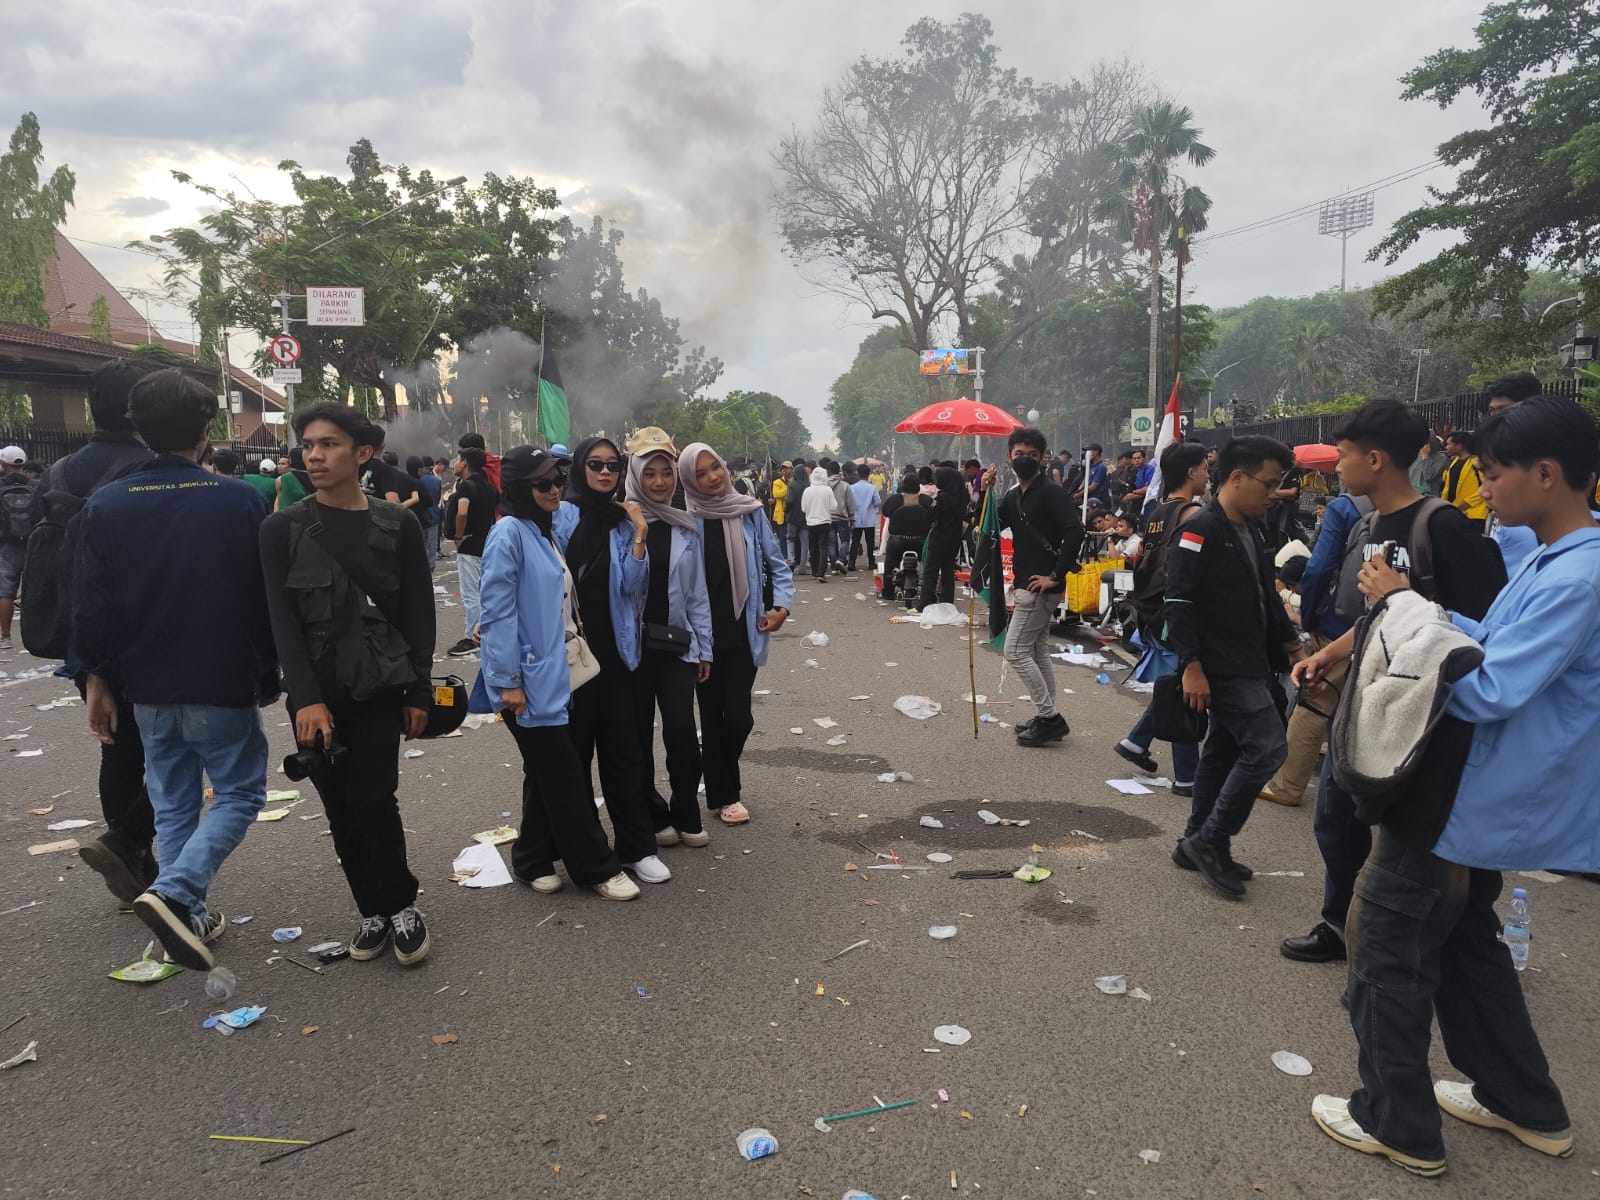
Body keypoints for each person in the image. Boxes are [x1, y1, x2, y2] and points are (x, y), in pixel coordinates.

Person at [1305, 395, 1596, 1176]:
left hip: (1466, 790)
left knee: (1386, 943)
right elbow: (1480, 634)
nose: (1483, 484)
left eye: (1494, 472)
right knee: (1468, 945)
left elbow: (1484, 686)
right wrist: (1410, 613)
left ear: (1546, 472)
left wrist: (1398, 608)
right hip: (1472, 787)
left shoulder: (1581, 575)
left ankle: (1395, 1119)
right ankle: (1524, 1101)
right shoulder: (1548, 557)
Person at [1279, 400, 1506, 965]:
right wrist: (1328, 655)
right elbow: (1376, 616)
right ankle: (1343, 925)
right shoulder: (1370, 523)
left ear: (1375, 459)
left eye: (1345, 454)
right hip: (1367, 696)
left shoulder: (1441, 525)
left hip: (1426, 712)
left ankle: (1438, 947)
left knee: (1422, 837)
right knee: (1335, 815)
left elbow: (1475, 628)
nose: (1335, 466)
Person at [76, 369, 277, 969]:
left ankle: (185, 916)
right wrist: (275, 673)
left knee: (173, 804)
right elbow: (263, 600)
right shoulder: (241, 499)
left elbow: (91, 606)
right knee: (240, 794)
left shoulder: (107, 505)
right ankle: (174, 893)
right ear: (207, 428)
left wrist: (95, 679)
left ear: (138, 429)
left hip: (147, 685)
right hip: (223, 678)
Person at [259, 401, 436, 965]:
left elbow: (418, 611)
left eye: (329, 444)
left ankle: (403, 903)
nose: (314, 455)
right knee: (338, 806)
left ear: (363, 454)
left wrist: (419, 688)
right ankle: (371, 911)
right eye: (308, 445)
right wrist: (306, 697)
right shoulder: (279, 528)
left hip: (382, 686)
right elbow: (280, 620)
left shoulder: (397, 523)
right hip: (318, 695)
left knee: (373, 798)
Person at [478, 446, 638, 902]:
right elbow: (497, 613)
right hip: (524, 682)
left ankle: (531, 857)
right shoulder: (507, 533)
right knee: (565, 773)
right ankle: (595, 866)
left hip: (553, 675)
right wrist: (508, 681)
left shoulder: (539, 530)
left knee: (546, 770)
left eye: (557, 480)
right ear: (517, 489)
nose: (555, 490)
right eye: (543, 483)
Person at [26, 359, 158, 899]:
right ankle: (127, 841)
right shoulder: (153, 470)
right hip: (146, 633)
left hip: (83, 636)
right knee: (182, 745)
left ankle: (135, 860)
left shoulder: (57, 473)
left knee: (117, 746)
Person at [1165, 436, 1304, 898]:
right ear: (1238, 477)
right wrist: (1191, 666)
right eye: (1269, 483)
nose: (1273, 494)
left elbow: (1266, 598)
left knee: (1224, 751)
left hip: (1251, 660)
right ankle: (1212, 838)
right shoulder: (1200, 528)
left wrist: (1292, 647)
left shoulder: (1251, 527)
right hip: (1222, 666)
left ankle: (1195, 840)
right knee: (1268, 749)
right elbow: (1178, 601)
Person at [555, 436, 669, 885]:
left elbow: (633, 587)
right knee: (576, 755)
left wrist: (640, 533)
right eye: (596, 464)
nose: (605, 472)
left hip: (618, 652)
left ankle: (637, 847)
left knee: (625, 753)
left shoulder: (623, 520)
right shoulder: (560, 515)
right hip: (572, 655)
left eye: (613, 465)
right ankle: (586, 849)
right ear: (580, 468)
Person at [679, 443, 792, 825]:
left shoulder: (749, 512)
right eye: (701, 473)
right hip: (702, 635)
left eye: (716, 468)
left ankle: (715, 777)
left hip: (745, 628)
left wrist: (782, 607)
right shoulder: (682, 518)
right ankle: (726, 796)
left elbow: (776, 562)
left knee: (739, 717)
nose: (712, 477)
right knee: (711, 717)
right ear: (688, 480)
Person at [620, 435, 715, 849]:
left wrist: (704, 646)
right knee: (637, 735)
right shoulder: (618, 522)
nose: (659, 482)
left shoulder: (685, 524)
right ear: (636, 476)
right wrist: (638, 531)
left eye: (665, 473)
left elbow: (697, 594)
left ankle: (685, 811)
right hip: (632, 649)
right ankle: (652, 814)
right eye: (649, 473)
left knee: (680, 731)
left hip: (676, 646)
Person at [1114, 442, 1210, 794]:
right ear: (1190, 472)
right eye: (1204, 468)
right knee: (1184, 689)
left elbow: (1142, 557)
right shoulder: (1193, 514)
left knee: (1175, 685)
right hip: (1178, 609)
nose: (1207, 475)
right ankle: (1187, 777)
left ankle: (1136, 742)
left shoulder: (1155, 511)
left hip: (1153, 607)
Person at [983, 428, 1084, 747]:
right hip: (1026, 581)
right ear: (1009, 456)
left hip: (1040, 586)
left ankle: (1050, 718)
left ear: (1042, 458)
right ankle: (1046, 716)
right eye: (1018, 454)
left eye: (1031, 454)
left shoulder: (1052, 493)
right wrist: (984, 491)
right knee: (1038, 649)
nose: (1024, 459)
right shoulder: (1013, 495)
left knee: (1014, 650)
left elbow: (1075, 533)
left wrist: (1055, 574)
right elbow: (990, 526)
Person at [447, 446, 499, 656]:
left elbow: (462, 512)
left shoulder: (466, 487)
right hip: (485, 544)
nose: (455, 464)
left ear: (465, 462)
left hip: (469, 545)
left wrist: (459, 537)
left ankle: (471, 637)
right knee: (483, 591)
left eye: (458, 459)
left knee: (471, 595)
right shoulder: (489, 487)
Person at [916, 466, 969, 610]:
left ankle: (924, 603)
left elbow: (929, 517)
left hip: (939, 538)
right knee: (948, 571)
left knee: (930, 572)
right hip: (954, 539)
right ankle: (947, 602)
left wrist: (928, 506)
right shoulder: (963, 498)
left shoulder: (942, 498)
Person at [0, 445, 34, 651]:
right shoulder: (34, 485)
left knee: (6, 591)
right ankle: (34, 633)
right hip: (31, 544)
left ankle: (5, 637)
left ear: (4, 463)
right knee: (32, 590)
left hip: (7, 544)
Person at [880, 476, 933, 602]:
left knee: (890, 564)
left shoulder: (894, 499)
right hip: (921, 541)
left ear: (902, 486)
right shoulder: (926, 500)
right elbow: (934, 514)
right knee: (928, 565)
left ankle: (887, 592)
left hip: (897, 541)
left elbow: (885, 512)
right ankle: (929, 592)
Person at [1442, 429, 1488, 532]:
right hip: (1454, 512)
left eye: (1449, 444)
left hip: (1473, 514)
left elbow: (1486, 486)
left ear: (1459, 446)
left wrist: (1466, 503)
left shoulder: (1476, 463)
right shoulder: (1453, 462)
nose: (1446, 447)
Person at [801, 465, 838, 581]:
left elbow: (803, 508)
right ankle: (821, 573)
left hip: (811, 523)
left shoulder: (807, 490)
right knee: (823, 547)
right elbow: (834, 506)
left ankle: (814, 571)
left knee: (813, 548)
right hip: (824, 522)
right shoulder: (827, 490)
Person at [408, 454, 442, 572]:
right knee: (431, 542)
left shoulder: (405, 480)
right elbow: (434, 500)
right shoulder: (436, 481)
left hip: (410, 519)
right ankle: (430, 566)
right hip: (429, 517)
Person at [848, 464, 881, 573]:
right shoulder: (872, 488)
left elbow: (849, 502)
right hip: (869, 518)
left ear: (858, 473)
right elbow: (877, 501)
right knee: (870, 542)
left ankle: (851, 562)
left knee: (855, 541)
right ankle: (871, 563)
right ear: (869, 474)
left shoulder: (852, 488)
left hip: (856, 518)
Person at [829, 461, 856, 573]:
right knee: (845, 540)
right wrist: (852, 518)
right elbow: (850, 503)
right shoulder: (845, 485)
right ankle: (841, 559)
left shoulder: (824, 485)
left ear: (828, 471)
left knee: (831, 543)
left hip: (829, 517)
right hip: (842, 517)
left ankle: (834, 567)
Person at [275, 446, 311, 510]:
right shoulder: (316, 475)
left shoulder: (282, 479)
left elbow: (278, 503)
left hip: (289, 516)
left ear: (291, 461)